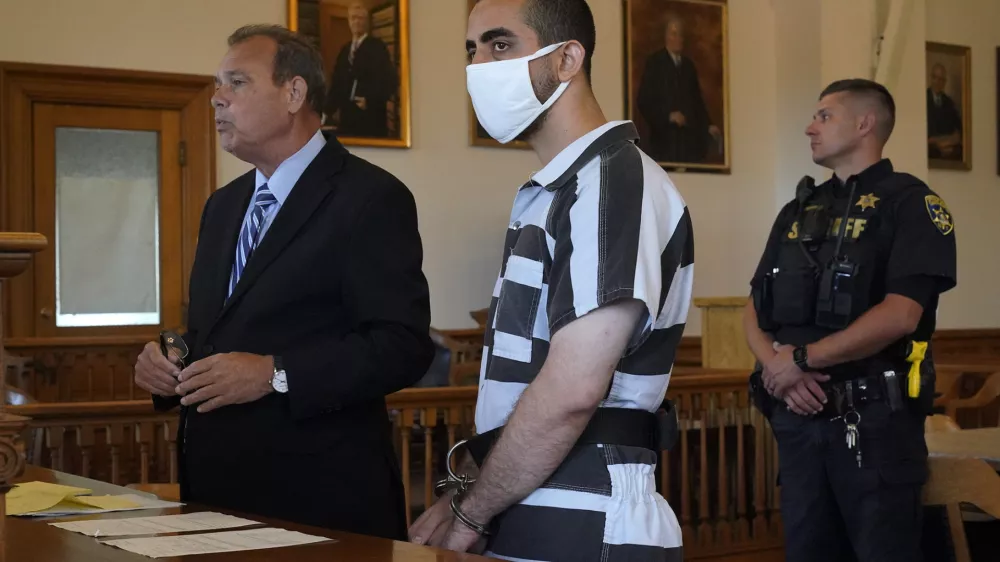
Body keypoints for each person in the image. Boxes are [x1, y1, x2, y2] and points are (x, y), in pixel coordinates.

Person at [409, 0, 694, 560]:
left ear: (567, 59)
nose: (480, 68)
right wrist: (465, 488)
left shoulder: (613, 181)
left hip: (588, 509)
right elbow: (521, 386)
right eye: (472, 51)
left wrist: (470, 512)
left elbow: (571, 392)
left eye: (500, 46)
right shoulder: (560, 188)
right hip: (527, 499)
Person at [133, 24, 433, 540]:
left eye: (236, 83)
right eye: (215, 85)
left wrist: (275, 374)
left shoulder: (369, 197)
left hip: (319, 502)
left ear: (294, 93)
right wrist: (169, 359)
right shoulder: (223, 206)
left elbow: (401, 345)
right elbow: (221, 329)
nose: (216, 99)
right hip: (214, 498)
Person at [743, 79, 957, 562]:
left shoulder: (911, 205)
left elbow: (902, 313)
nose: (809, 128)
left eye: (824, 116)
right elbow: (754, 308)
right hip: (798, 420)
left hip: (876, 426)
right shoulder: (799, 210)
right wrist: (778, 368)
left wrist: (801, 360)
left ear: (865, 124)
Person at [637, 13, 721, 164]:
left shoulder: (689, 66)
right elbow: (644, 101)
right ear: (666, 37)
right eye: (674, 34)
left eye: (681, 35)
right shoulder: (655, 63)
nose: (679, 39)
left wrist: (709, 124)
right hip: (664, 140)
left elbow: (697, 101)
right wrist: (668, 116)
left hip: (688, 142)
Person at [324, 0, 398, 137]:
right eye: (353, 18)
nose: (356, 22)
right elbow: (337, 83)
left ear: (366, 21)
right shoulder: (345, 50)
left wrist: (369, 101)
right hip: (347, 119)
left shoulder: (378, 47)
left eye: (360, 18)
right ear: (349, 21)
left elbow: (390, 82)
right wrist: (326, 111)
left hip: (371, 118)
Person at [926, 63, 963, 160]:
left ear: (945, 82)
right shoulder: (922, 99)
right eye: (935, 78)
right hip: (929, 149)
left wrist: (946, 143)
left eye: (941, 79)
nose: (938, 82)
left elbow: (959, 131)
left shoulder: (949, 103)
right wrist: (937, 143)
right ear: (931, 78)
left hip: (948, 147)